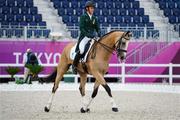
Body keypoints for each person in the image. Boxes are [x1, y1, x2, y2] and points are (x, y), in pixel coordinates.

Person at [72, 1, 101, 73]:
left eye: (93, 8)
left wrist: (99, 33)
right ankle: (74, 65)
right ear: (87, 9)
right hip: (84, 37)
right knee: (81, 50)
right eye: (91, 8)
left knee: (99, 49)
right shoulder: (83, 17)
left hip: (93, 37)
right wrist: (88, 35)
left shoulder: (94, 18)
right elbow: (82, 28)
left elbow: (98, 28)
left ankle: (100, 67)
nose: (93, 9)